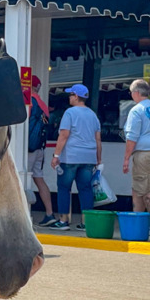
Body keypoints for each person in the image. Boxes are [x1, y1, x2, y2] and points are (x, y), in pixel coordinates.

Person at [49, 84, 102, 231]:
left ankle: (64, 220)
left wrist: (56, 155)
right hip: (89, 157)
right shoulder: (93, 115)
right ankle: (86, 222)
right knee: (85, 188)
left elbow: (64, 135)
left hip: (71, 157)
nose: (69, 98)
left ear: (76, 96)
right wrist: (98, 158)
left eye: (71, 95)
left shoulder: (70, 113)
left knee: (64, 187)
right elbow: (98, 139)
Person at [122, 79, 150, 214]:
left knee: (148, 191)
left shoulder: (136, 110)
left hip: (145, 153)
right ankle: (138, 219)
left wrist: (126, 158)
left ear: (136, 92)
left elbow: (132, 137)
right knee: (138, 188)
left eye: (131, 92)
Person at [27, 75, 58, 227]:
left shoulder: (29, 101)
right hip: (40, 148)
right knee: (39, 179)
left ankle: (24, 216)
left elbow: (24, 122)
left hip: (29, 149)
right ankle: (49, 213)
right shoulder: (43, 104)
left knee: (22, 177)